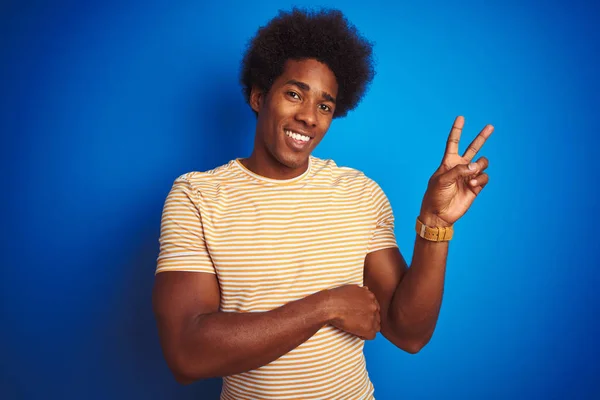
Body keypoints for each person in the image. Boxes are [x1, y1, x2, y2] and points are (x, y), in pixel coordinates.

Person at [152, 8, 493, 400]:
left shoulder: (359, 193)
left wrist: (435, 223)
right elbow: (186, 354)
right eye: (294, 94)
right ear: (259, 96)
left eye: (325, 106)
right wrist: (326, 306)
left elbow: (409, 333)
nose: (309, 117)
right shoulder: (196, 196)